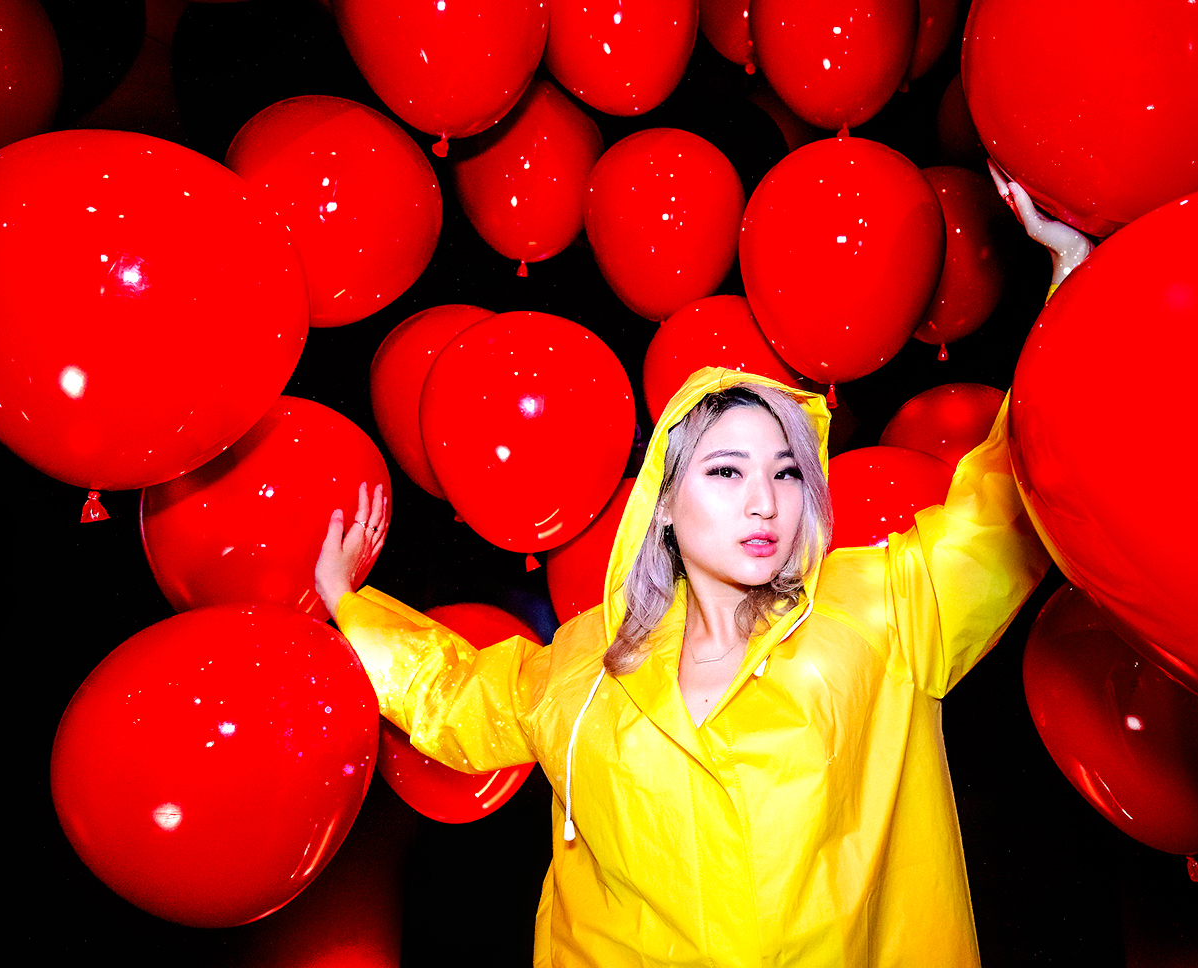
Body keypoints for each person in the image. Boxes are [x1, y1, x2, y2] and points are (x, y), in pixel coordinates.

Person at [314, 366, 1050, 967]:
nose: (764, 502)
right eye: (727, 471)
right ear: (664, 504)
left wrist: (1073, 289)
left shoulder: (882, 607)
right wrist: (348, 603)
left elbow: (1000, 517)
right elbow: (456, 699)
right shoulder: (584, 663)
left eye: (787, 473)